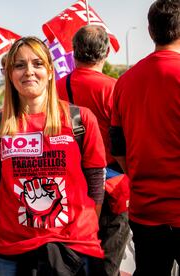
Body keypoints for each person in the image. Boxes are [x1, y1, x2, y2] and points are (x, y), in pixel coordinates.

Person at [0, 36, 107, 276]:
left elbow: (96, 183)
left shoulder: (81, 119)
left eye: (37, 64)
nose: (29, 72)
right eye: (19, 65)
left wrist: (82, 229)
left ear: (49, 70)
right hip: (11, 252)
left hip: (75, 248)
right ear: (10, 74)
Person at [110, 1, 180, 275]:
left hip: (145, 211)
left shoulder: (125, 81)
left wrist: (137, 176)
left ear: (150, 32)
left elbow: (118, 145)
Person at [56, 25, 130, 276]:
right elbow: (126, 139)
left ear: (73, 52)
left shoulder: (54, 89)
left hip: (68, 183)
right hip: (112, 183)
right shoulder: (115, 88)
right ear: (107, 52)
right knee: (109, 258)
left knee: (72, 256)